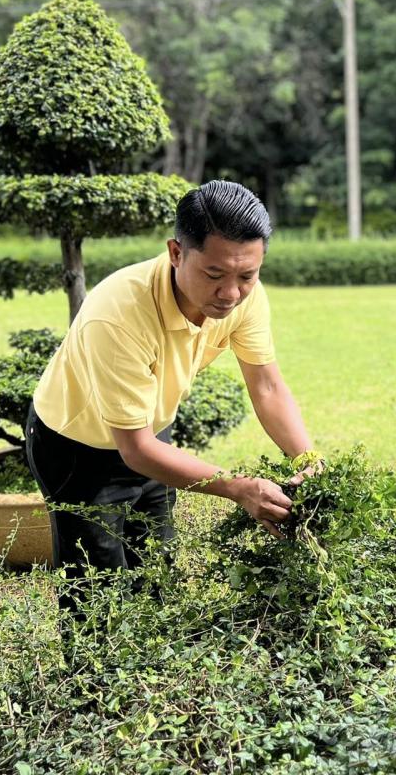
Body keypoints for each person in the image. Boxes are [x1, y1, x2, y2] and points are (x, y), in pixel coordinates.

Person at [27, 180, 316, 615]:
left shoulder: (243, 300)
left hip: (150, 433)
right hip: (78, 446)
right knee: (97, 590)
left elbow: (267, 386)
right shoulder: (119, 315)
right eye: (215, 275)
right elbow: (135, 449)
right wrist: (239, 488)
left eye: (247, 276)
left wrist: (306, 460)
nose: (231, 294)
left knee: (156, 571)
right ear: (176, 253)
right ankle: (93, 680)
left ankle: (149, 674)